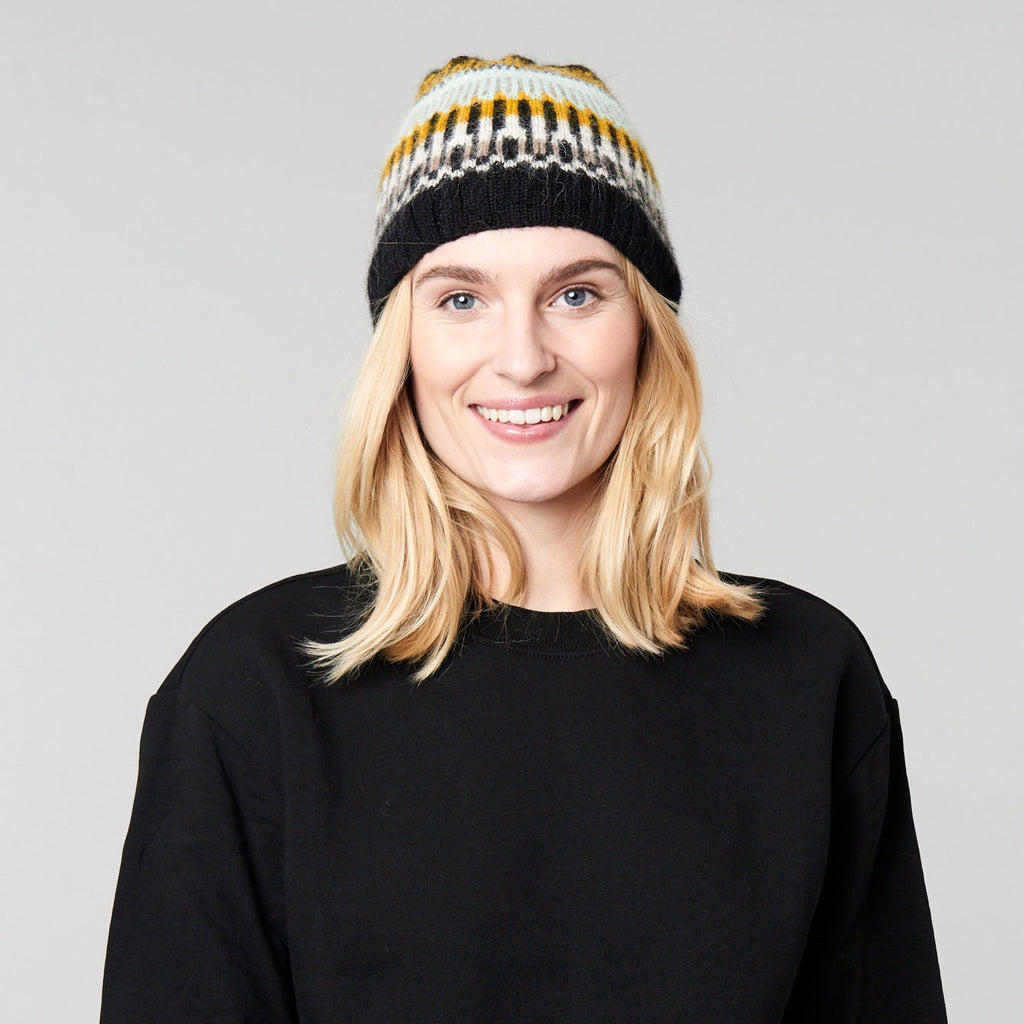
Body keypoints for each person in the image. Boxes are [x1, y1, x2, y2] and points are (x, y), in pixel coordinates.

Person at [100, 55, 947, 1022]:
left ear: (646, 330)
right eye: (461, 299)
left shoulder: (809, 678)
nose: (523, 359)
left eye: (576, 294)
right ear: (403, 344)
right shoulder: (253, 691)